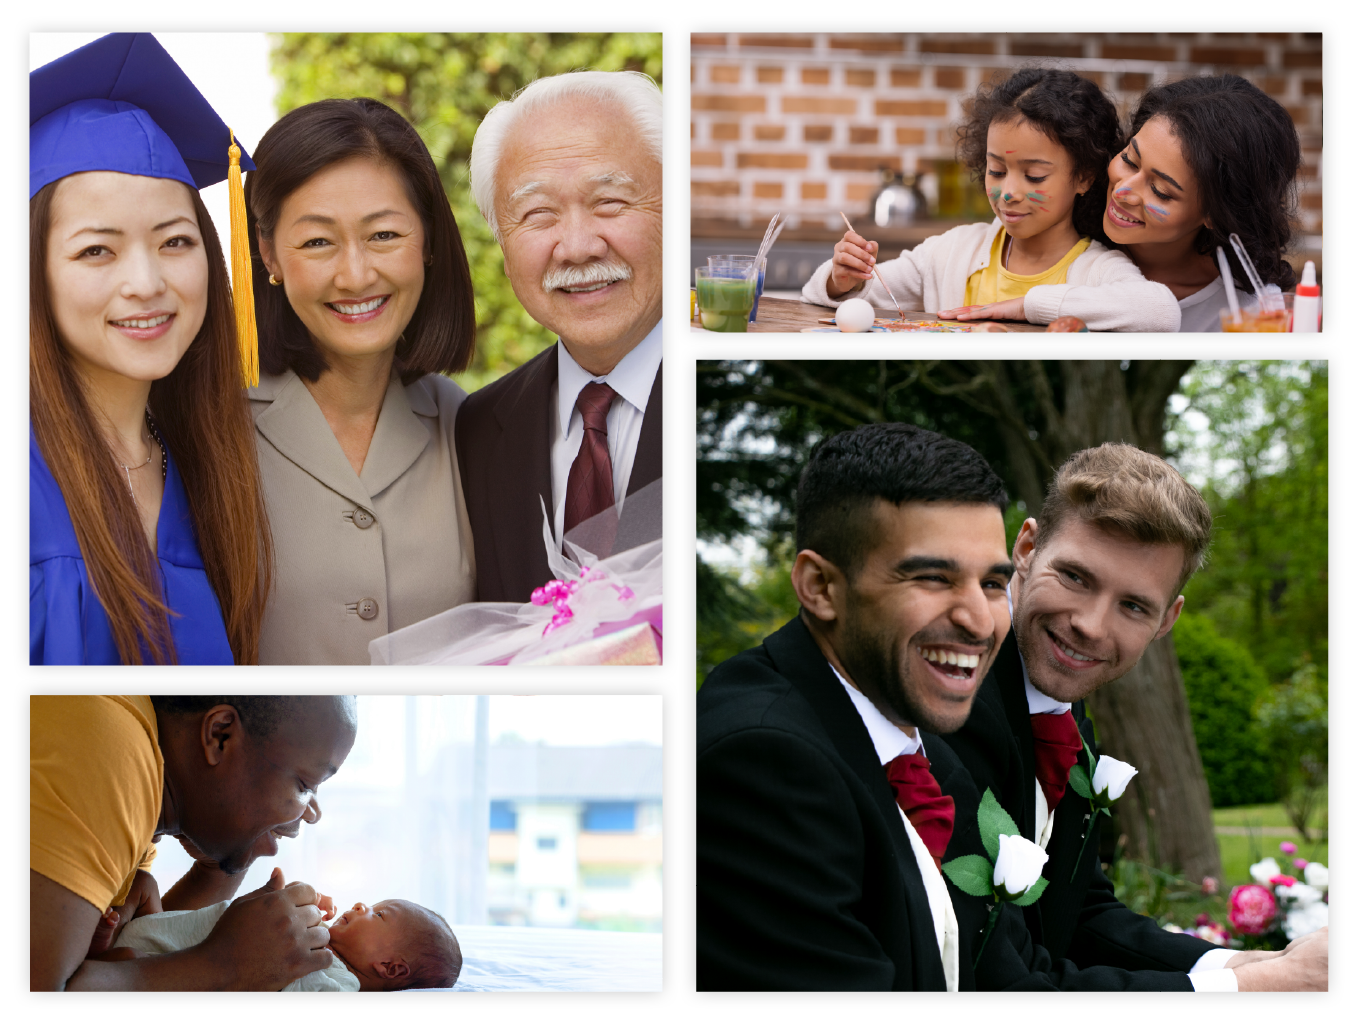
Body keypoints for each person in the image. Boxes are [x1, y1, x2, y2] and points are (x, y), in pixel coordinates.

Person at [945, 443, 1328, 991]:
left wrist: (1242, 965)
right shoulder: (946, 702)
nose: (1092, 626)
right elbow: (1002, 984)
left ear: (1167, 618)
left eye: (1133, 606)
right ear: (1026, 548)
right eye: (1076, 577)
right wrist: (1260, 989)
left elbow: (1080, 911)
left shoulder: (1060, 700)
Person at [695, 424, 1016, 991]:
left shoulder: (930, 755)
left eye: (993, 583)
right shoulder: (762, 762)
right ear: (819, 587)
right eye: (933, 577)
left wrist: (1216, 987)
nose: (980, 621)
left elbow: (1011, 986)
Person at [28, 31, 273, 665]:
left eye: (174, 242)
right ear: (33, 274)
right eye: (95, 251)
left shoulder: (203, 463)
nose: (147, 283)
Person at [246, 98, 478, 664]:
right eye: (317, 242)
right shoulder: (206, 427)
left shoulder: (468, 427)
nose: (355, 275)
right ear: (269, 255)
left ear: (426, 243)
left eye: (383, 235)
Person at [459, 70, 664, 602]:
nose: (576, 246)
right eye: (537, 213)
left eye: (610, 202)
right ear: (500, 239)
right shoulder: (478, 432)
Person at [804, 68, 1180, 332]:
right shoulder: (950, 252)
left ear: (1083, 176)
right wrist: (843, 281)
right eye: (996, 170)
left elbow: (1161, 313)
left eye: (1034, 176)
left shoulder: (1097, 270)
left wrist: (1026, 306)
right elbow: (852, 294)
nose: (1008, 192)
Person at [30, 695, 357, 992]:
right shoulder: (112, 752)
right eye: (306, 784)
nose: (312, 813)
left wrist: (221, 867)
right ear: (220, 736)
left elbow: (151, 952)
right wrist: (227, 964)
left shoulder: (145, 795)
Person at [1097, 75, 1304, 332]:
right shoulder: (1064, 243)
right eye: (1129, 160)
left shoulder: (1253, 311)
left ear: (1216, 213)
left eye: (1160, 191)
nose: (1122, 191)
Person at [91, 882, 462, 992]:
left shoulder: (338, 983)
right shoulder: (319, 938)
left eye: (380, 914)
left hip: (154, 962)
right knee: (143, 884)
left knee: (127, 961)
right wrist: (302, 904)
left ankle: (99, 952)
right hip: (159, 928)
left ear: (391, 968)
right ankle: (111, 929)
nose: (363, 904)